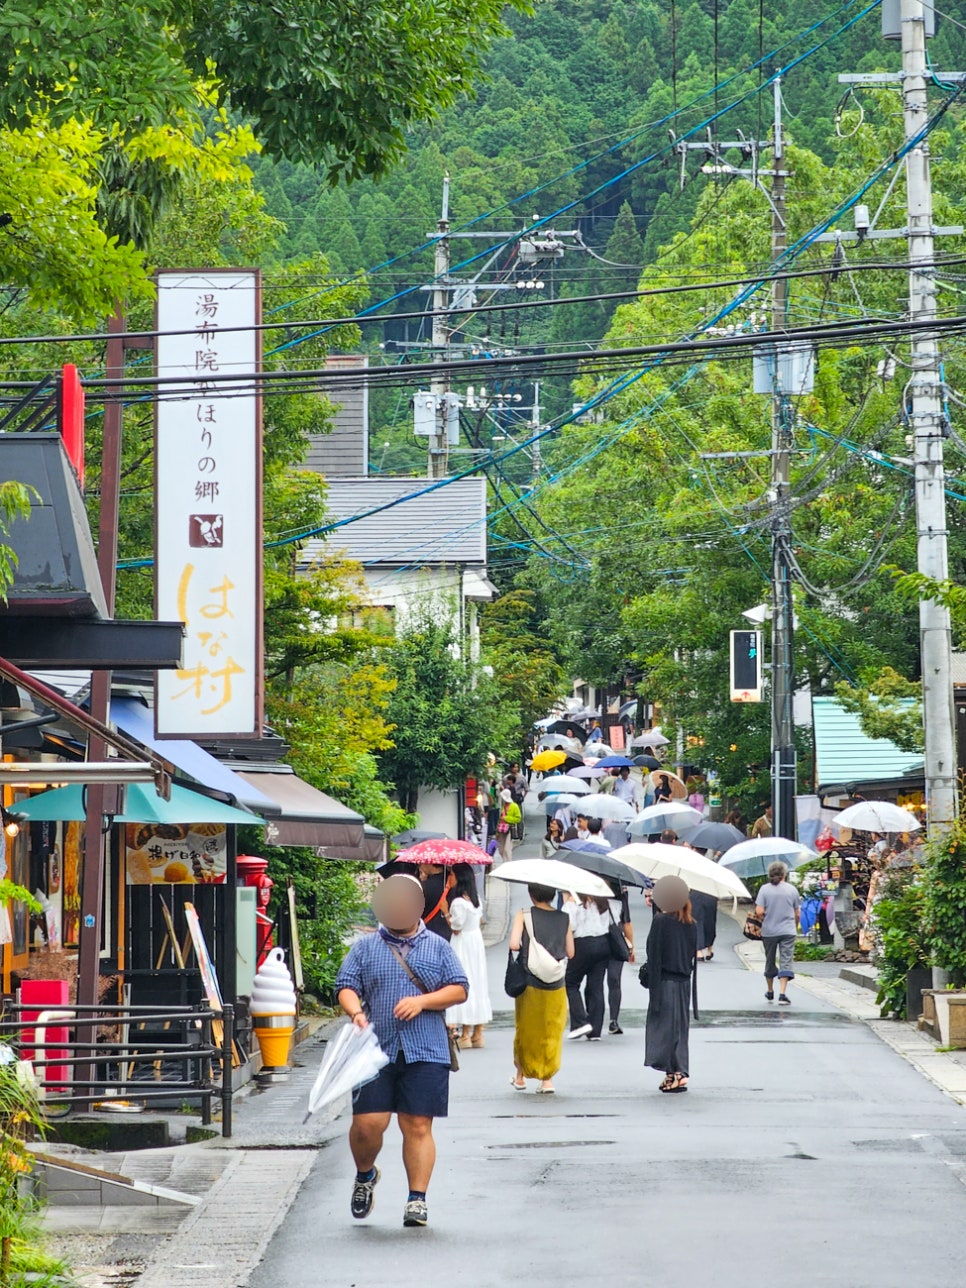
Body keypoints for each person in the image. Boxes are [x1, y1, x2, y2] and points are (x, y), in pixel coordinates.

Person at [335, 874, 469, 1229]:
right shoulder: (365, 947)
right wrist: (356, 1012)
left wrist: (422, 1001)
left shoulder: (438, 946)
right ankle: (365, 1175)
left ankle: (417, 1200)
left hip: (426, 1048)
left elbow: (459, 989)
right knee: (367, 1125)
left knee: (417, 1125)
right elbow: (345, 986)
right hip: (374, 1048)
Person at [509, 883, 575, 1093]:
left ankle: (520, 1076)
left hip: (530, 982)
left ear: (530, 894)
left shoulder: (523, 914)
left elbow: (513, 944)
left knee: (526, 1029)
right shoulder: (564, 918)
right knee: (551, 1030)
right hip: (556, 982)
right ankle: (547, 1080)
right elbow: (571, 952)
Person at [643, 875, 698, 1093]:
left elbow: (652, 951)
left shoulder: (660, 921)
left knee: (664, 1028)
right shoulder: (691, 924)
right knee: (679, 1028)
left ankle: (674, 1072)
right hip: (684, 983)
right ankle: (678, 1071)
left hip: (665, 981)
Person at [445, 864, 492, 1049]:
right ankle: (477, 1033)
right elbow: (479, 921)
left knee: (463, 980)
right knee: (478, 981)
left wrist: (445, 911)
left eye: (452, 874)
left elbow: (456, 928)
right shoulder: (476, 900)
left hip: (463, 943)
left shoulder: (457, 903)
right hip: (476, 942)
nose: (450, 878)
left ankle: (464, 1034)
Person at [562, 894, 611, 1040]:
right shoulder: (602, 900)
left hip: (582, 944)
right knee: (596, 986)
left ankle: (580, 1022)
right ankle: (595, 1030)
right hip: (603, 943)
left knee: (571, 983)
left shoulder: (573, 903)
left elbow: (570, 927)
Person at [756, 860, 801, 1004]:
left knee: (770, 960)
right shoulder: (792, 890)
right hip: (788, 930)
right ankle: (782, 993)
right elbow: (797, 913)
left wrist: (764, 918)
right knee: (785, 960)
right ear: (784, 874)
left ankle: (770, 991)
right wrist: (795, 925)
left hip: (769, 930)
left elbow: (759, 911)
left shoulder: (764, 889)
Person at [606, 885, 635, 1035]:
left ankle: (609, 1019)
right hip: (614, 940)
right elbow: (627, 923)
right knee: (614, 979)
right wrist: (631, 946)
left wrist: (631, 946)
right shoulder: (621, 895)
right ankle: (613, 1020)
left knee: (601, 981)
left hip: (600, 939)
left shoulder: (589, 891)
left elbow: (627, 922)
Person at [418, 863, 453, 940]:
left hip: (430, 932)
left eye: (421, 863)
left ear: (430, 864)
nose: (420, 865)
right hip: (450, 932)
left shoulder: (425, 886)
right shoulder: (453, 881)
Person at [690, 888, 718, 962]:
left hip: (695, 893)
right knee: (710, 921)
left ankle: (699, 951)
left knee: (697, 921)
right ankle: (709, 950)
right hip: (711, 894)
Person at [497, 788, 516, 861]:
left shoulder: (514, 806)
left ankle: (508, 862)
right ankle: (504, 861)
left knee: (507, 849)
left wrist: (506, 818)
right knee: (501, 848)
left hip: (509, 829)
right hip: (501, 829)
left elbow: (518, 818)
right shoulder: (503, 806)